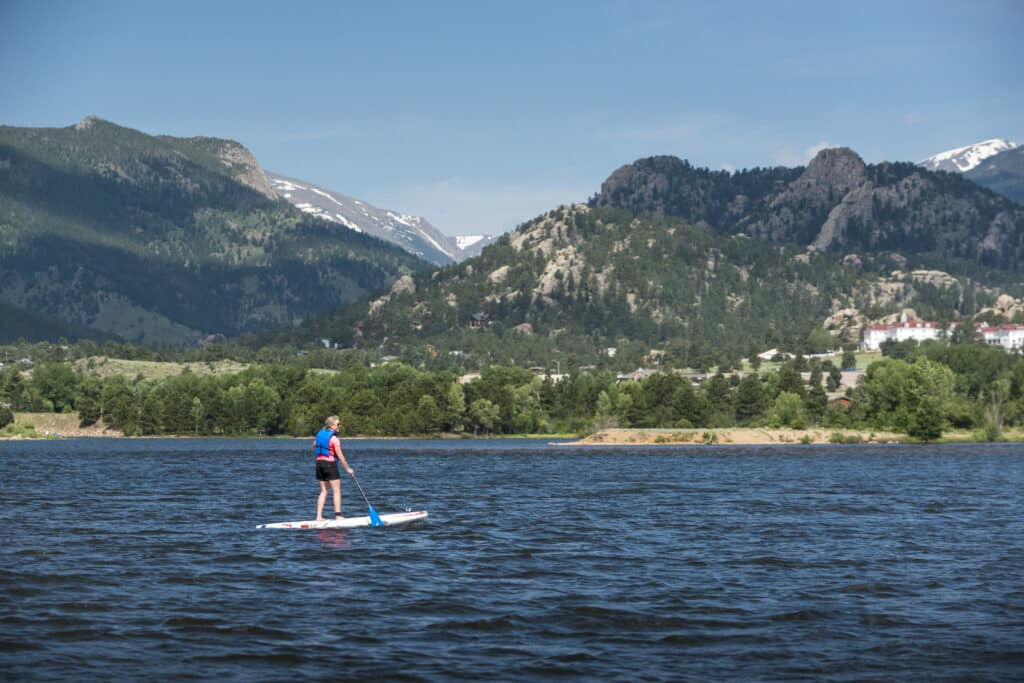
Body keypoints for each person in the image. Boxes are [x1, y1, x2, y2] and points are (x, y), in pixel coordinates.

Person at [313, 415, 354, 521]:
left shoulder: (320, 434)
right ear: (332, 426)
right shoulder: (334, 439)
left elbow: (314, 445)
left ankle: (318, 516)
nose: (339, 425)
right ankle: (338, 515)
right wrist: (348, 469)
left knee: (324, 491)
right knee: (336, 490)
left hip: (319, 464)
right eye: (338, 424)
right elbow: (340, 456)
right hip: (329, 465)